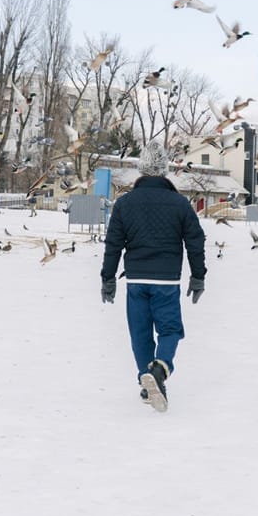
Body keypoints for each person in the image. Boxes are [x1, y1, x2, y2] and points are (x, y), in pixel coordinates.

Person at [100, 141, 206, 412]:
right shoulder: (179, 203)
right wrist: (198, 276)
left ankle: (149, 383)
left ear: (141, 169)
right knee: (170, 329)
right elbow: (195, 240)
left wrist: (108, 278)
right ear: (165, 170)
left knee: (140, 334)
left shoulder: (125, 203)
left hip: (136, 279)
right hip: (166, 281)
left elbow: (113, 243)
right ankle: (160, 369)